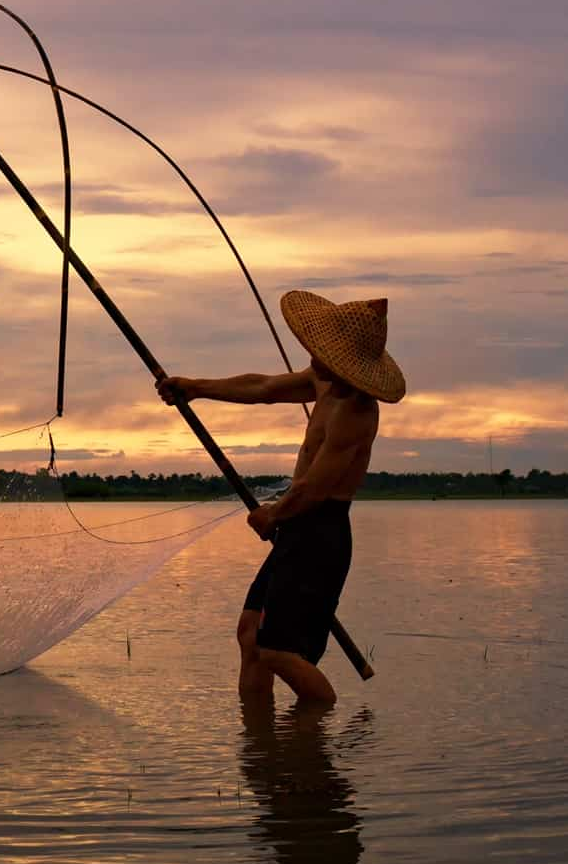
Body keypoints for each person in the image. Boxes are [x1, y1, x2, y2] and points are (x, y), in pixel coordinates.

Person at [157, 291, 406, 707]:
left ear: (345, 360)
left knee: (278, 652)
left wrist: (274, 514)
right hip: (299, 526)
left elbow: (316, 488)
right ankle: (262, 753)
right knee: (250, 634)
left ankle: (318, 744)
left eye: (321, 348)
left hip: (321, 533)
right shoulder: (322, 381)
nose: (311, 353)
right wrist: (194, 387)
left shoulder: (356, 412)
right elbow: (264, 387)